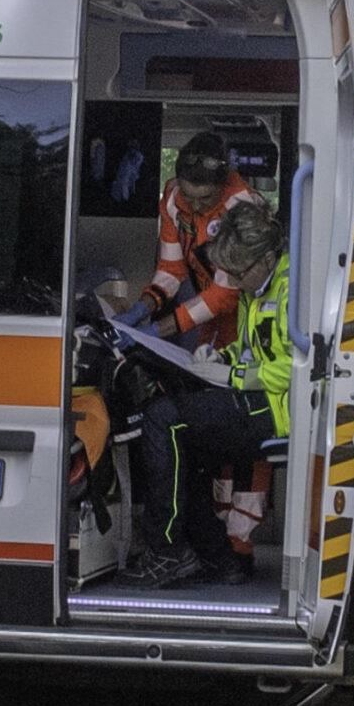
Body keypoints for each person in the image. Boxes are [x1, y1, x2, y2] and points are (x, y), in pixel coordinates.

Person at [124, 202, 291, 587]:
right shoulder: (259, 283)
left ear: (267, 258)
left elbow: (295, 369)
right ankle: (217, 556)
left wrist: (232, 373)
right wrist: (221, 355)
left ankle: (167, 551)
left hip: (277, 410)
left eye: (239, 273)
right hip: (258, 397)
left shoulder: (291, 291)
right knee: (183, 442)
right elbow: (255, 349)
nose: (233, 281)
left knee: (164, 420)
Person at [121, 132, 263, 348]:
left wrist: (157, 330)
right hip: (206, 304)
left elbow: (226, 291)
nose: (195, 207)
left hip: (245, 311)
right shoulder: (173, 199)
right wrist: (140, 309)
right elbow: (171, 269)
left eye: (205, 198)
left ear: (223, 186)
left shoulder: (241, 208)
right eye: (188, 196)